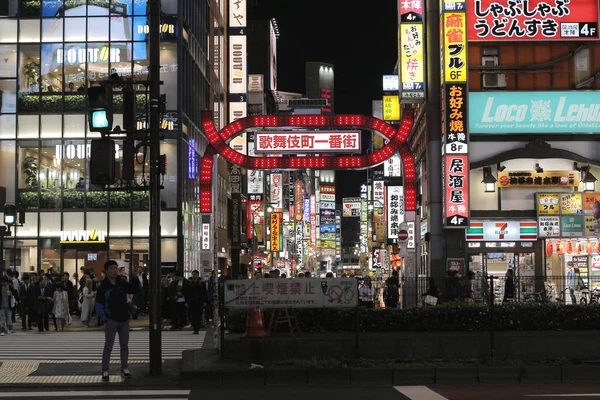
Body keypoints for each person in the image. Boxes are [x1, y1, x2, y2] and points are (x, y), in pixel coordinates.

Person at [95, 259, 141, 381]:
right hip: (111, 320)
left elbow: (134, 290)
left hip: (124, 319)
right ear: (106, 271)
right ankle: (105, 370)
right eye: (111, 269)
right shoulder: (103, 287)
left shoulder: (122, 282)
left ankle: (124, 368)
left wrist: (135, 277)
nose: (115, 271)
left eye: (116, 268)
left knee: (124, 346)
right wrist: (105, 318)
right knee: (108, 346)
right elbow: (98, 305)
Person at [186, 270, 208, 334]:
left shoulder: (202, 283)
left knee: (198, 315)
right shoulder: (189, 283)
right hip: (191, 301)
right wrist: (187, 301)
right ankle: (194, 326)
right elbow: (187, 293)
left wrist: (205, 301)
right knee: (190, 315)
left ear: (198, 275)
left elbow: (204, 293)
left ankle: (196, 329)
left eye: (195, 274)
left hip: (199, 301)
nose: (194, 276)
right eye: (193, 274)